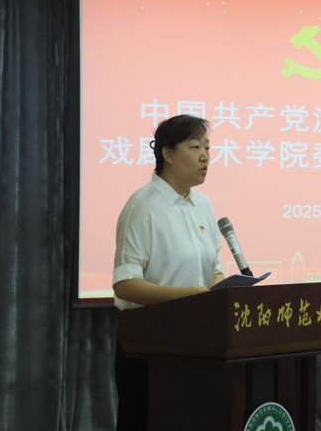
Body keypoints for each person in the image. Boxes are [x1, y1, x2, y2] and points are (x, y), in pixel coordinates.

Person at [112, 114, 223, 431]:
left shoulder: (203, 205)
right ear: (168, 154)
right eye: (195, 147)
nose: (205, 156)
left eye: (207, 147)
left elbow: (212, 272)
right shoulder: (143, 206)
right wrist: (187, 296)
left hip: (199, 343)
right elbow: (125, 284)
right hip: (150, 346)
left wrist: (223, 287)